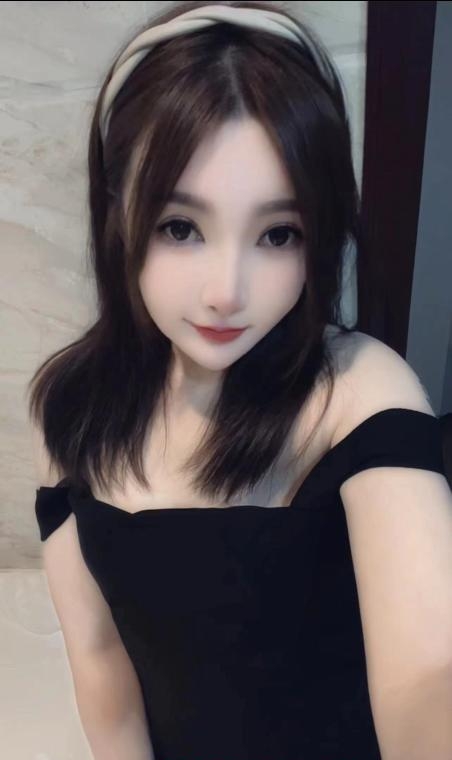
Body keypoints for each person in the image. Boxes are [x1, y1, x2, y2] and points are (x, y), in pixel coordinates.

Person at [29, 2, 452, 759]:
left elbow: (429, 673)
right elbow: (98, 659)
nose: (228, 291)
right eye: (180, 227)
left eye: (278, 234)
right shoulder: (69, 407)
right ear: (117, 214)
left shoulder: (360, 391)